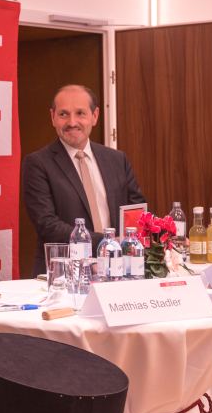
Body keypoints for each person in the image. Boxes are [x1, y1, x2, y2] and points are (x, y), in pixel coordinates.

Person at [23, 84, 145, 276]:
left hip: (119, 270)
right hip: (63, 275)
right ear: (52, 117)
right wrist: (107, 241)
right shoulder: (38, 163)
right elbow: (47, 224)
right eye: (63, 114)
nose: (72, 122)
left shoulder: (117, 159)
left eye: (80, 113)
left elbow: (136, 211)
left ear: (94, 116)